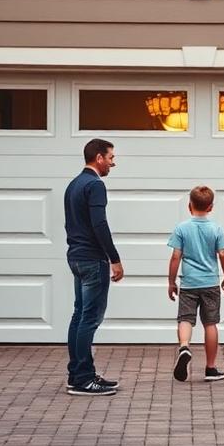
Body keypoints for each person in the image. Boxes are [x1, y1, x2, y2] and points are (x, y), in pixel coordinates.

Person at [64, 138, 124, 396]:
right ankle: (84, 380)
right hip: (92, 258)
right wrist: (114, 258)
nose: (113, 162)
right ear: (99, 158)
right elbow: (99, 224)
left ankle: (77, 373)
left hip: (76, 256)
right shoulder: (95, 185)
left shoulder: (73, 184)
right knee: (90, 318)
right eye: (111, 157)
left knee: (79, 316)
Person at [167, 185, 224, 382]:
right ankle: (210, 368)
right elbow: (223, 254)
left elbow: (175, 257)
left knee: (185, 319)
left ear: (189, 206)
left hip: (188, 284)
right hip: (210, 283)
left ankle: (184, 346)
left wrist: (171, 282)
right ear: (211, 207)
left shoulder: (181, 229)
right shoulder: (216, 229)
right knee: (210, 324)